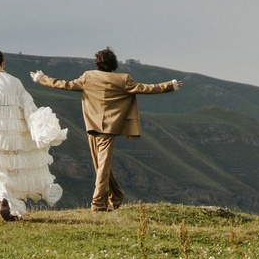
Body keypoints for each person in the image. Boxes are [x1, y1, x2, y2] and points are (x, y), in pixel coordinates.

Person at [32, 48, 181, 211]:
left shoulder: (89, 77)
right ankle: (115, 197)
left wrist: (42, 79)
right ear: (114, 63)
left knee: (101, 166)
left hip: (92, 126)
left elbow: (64, 84)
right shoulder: (123, 79)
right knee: (101, 166)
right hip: (109, 127)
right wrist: (170, 86)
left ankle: (98, 203)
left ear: (98, 63)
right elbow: (146, 88)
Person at [0, 49, 66, 220]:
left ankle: (2, 200)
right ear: (3, 62)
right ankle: (11, 203)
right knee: (14, 170)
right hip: (14, 136)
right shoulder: (15, 82)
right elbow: (28, 108)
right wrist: (39, 130)